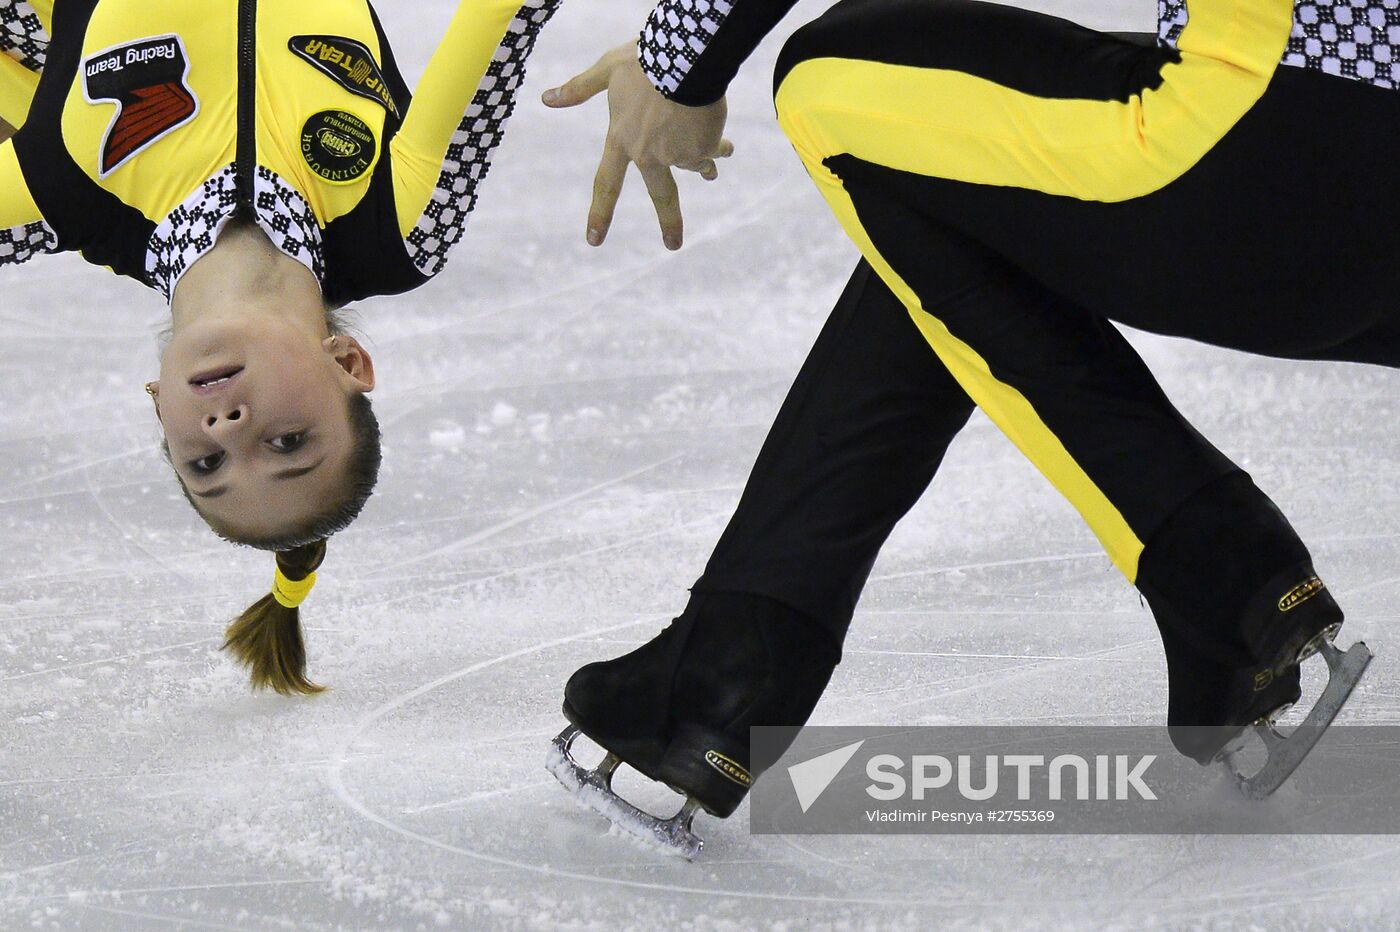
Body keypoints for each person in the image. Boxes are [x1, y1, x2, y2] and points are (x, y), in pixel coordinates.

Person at [543, 0, 1389, 852]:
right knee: (967, 190)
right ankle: (732, 657)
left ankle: (1216, 561)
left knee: (828, 78)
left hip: (1262, 156)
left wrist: (676, 61)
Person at [1, 0, 560, 693]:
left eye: (205, 462)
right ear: (347, 363)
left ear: (160, 408)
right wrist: (674, 73)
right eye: (289, 443)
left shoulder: (66, 199)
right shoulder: (398, 226)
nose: (230, 430)